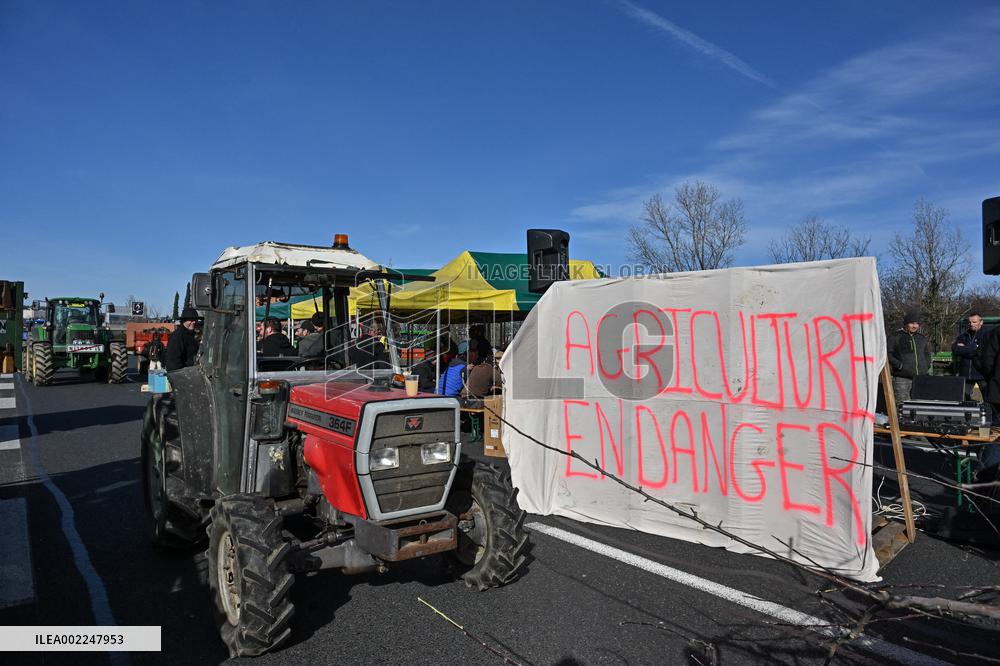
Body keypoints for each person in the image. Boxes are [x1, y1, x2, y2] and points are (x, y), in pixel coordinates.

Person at [886, 310, 931, 405]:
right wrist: (899, 366)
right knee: (902, 406)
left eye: (917, 324)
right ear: (906, 323)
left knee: (920, 406)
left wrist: (927, 365)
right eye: (912, 323)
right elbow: (888, 354)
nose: (915, 326)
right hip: (902, 379)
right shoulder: (895, 337)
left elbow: (927, 353)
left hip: (920, 378)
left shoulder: (921, 338)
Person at [953, 313, 987, 401]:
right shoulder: (963, 336)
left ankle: (990, 415)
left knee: (989, 400)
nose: (971, 324)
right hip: (966, 374)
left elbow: (984, 352)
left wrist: (964, 349)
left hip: (982, 374)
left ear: (981, 322)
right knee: (962, 399)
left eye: (974, 322)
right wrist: (974, 347)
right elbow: (956, 350)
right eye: (970, 322)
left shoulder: (987, 336)